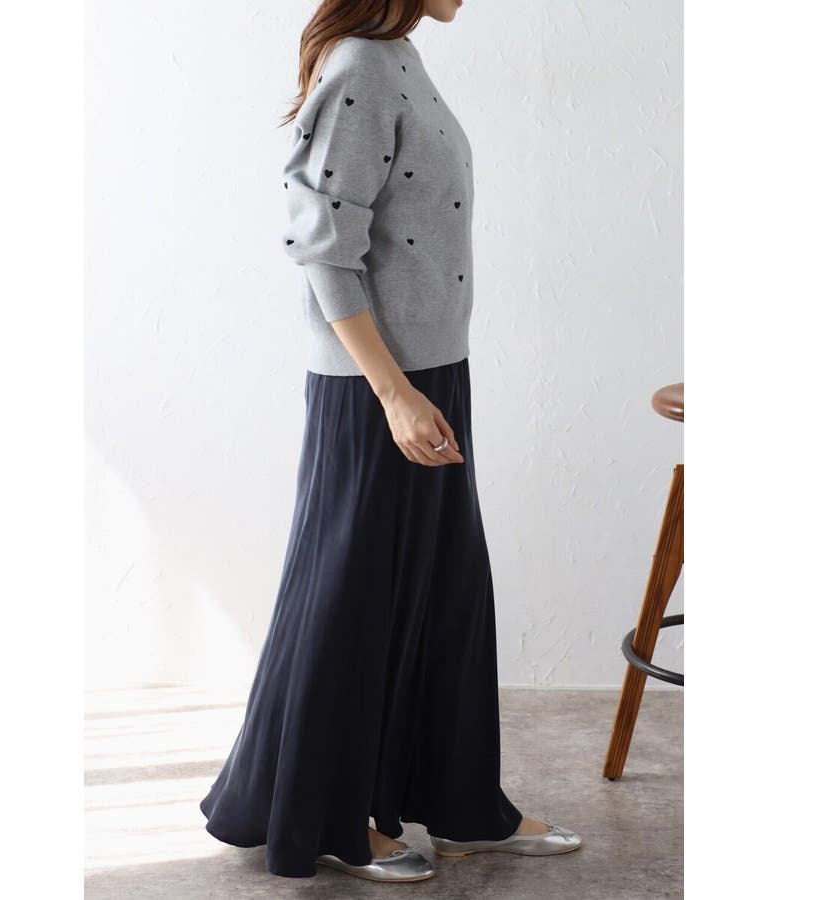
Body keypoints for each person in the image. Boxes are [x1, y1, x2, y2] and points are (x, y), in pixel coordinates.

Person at [199, 0, 583, 882]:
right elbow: (321, 247)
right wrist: (393, 394)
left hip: (431, 371)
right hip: (377, 387)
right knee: (352, 600)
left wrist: (418, 386)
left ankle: (461, 807)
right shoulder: (361, 68)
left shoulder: (396, 54)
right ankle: (330, 820)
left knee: (445, 594)